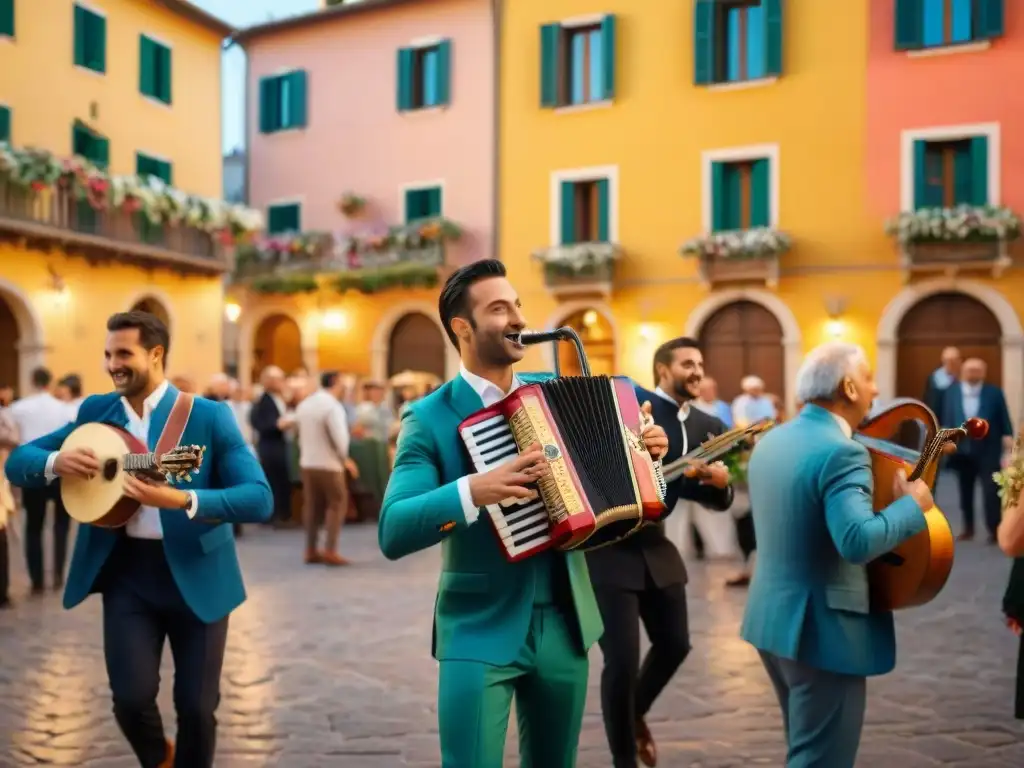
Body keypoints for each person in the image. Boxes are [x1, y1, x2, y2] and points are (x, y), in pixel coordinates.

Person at [379, 259, 668, 767]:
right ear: (462, 329)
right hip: (477, 626)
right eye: (499, 309)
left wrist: (644, 452)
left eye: (517, 305)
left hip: (566, 620)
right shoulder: (427, 417)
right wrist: (473, 489)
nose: (517, 318)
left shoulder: (554, 390)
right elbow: (393, 528)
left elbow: (613, 464)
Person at [4, 311, 273, 768]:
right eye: (108, 354)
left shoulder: (207, 416)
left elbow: (259, 499)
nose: (113, 364)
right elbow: (19, 461)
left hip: (199, 574)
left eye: (123, 354)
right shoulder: (94, 412)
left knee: (196, 708)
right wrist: (57, 464)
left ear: (155, 354)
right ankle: (158, 758)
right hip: (128, 576)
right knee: (129, 699)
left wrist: (183, 499)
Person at [740, 341, 934, 767]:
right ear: (848, 387)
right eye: (868, 377)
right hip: (822, 631)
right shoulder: (842, 451)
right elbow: (858, 540)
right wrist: (913, 506)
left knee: (804, 750)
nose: (875, 388)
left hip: (771, 619)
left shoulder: (774, 438)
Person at [586, 337, 732, 768]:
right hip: (608, 546)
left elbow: (701, 494)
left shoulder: (709, 423)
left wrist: (720, 487)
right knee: (623, 660)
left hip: (654, 542)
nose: (697, 371)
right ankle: (624, 758)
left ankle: (632, 714)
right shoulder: (631, 402)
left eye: (700, 363)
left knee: (676, 643)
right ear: (663, 370)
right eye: (687, 363)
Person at [8, 366, 74, 593]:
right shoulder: (64, 409)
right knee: (61, 525)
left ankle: (37, 579)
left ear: (33, 381)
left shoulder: (19, 408)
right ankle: (58, 575)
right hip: (60, 468)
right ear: (50, 382)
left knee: (34, 527)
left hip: (33, 469)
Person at [939, 357, 1013, 543]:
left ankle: (994, 528)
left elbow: (1004, 416)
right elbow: (947, 416)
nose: (974, 373)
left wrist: (1008, 436)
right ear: (963, 372)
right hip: (962, 449)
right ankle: (968, 528)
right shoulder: (952, 392)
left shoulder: (994, 392)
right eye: (970, 370)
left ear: (983, 372)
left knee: (991, 489)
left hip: (989, 448)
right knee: (965, 489)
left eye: (978, 370)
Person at [294, 370, 351, 566]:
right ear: (335, 382)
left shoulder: (306, 404)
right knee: (337, 504)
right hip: (330, 464)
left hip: (308, 462)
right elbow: (340, 439)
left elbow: (297, 431)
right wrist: (345, 459)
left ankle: (310, 549)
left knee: (311, 507)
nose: (345, 387)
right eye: (343, 383)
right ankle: (330, 549)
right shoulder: (332, 406)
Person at [250, 366, 295, 527]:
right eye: (278, 379)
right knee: (273, 480)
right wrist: (280, 425)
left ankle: (282, 514)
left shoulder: (279, 398)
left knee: (281, 480)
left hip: (279, 444)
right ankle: (275, 515)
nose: (282, 382)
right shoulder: (264, 400)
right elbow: (260, 423)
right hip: (271, 446)